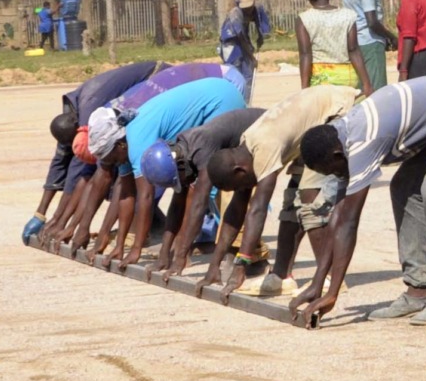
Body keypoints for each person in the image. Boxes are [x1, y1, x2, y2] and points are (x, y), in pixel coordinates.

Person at [290, 76, 426, 326]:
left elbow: (349, 222)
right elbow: (338, 215)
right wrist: (317, 283)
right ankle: (418, 291)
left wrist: (332, 294)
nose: (338, 176)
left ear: (337, 155)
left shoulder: (362, 140)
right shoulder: (340, 137)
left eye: (335, 171)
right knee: (403, 186)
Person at [56, 60, 243, 250]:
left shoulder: (137, 141)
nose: (111, 164)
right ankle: (185, 243)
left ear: (119, 145)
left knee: (205, 182)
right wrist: (112, 242)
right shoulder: (122, 141)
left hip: (221, 97)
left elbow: (146, 197)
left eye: (111, 158)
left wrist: (136, 249)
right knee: (185, 183)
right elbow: (126, 194)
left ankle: (226, 244)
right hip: (204, 94)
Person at [198, 83, 358, 295]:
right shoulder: (246, 149)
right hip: (311, 127)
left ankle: (328, 276)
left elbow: (257, 209)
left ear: (239, 171)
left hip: (335, 113)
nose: (245, 189)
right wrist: (214, 266)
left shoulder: (264, 146)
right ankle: (282, 276)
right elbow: (237, 210)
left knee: (311, 200)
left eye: (240, 185)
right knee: (291, 203)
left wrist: (241, 265)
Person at [117, 75, 251, 262]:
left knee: (216, 185)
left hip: (223, 100)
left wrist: (180, 250)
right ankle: (199, 243)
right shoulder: (177, 152)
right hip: (212, 94)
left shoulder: (201, 151)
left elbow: (197, 201)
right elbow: (178, 197)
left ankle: (243, 249)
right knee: (187, 189)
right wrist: (165, 250)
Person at [31, 59, 158, 242]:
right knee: (115, 172)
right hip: (137, 94)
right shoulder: (70, 122)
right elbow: (68, 166)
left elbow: (86, 174)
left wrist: (68, 223)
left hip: (155, 80)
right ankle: (147, 224)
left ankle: (139, 230)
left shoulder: (92, 116)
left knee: (145, 169)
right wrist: (42, 214)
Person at [154, 100, 268, 277]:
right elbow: (177, 204)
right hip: (240, 147)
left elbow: (199, 205)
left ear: (181, 167)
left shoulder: (202, 147)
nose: (182, 185)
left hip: (266, 132)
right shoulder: (181, 149)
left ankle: (252, 260)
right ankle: (234, 259)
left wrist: (180, 257)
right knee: (232, 197)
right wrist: (164, 253)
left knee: (238, 198)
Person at [293, 0, 361, 90]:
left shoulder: (304, 19)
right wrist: (367, 84)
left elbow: (305, 55)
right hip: (347, 78)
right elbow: (354, 50)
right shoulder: (348, 16)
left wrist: (304, 88)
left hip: (321, 80)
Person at [341, 0, 394, 94]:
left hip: (354, 43)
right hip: (370, 42)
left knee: (362, 89)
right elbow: (371, 21)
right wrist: (392, 37)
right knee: (377, 91)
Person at [218, 0, 271, 89]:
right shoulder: (236, 13)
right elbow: (240, 36)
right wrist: (251, 57)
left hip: (244, 42)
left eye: (249, 7)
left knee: (248, 74)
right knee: (234, 73)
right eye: (245, 7)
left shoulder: (256, 9)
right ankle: (233, 99)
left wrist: (261, 36)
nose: (247, 10)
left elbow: (261, 22)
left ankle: (246, 101)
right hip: (231, 44)